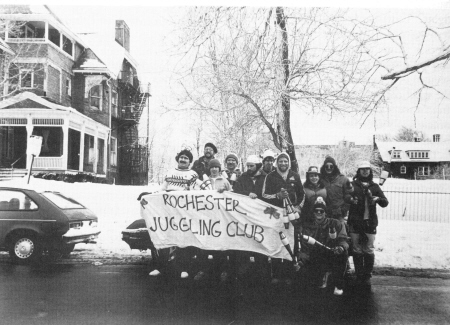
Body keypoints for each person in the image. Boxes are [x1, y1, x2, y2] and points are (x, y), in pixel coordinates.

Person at [141, 149, 198, 279]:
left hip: (184, 211)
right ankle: (160, 267)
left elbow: (195, 192)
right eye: (181, 157)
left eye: (186, 158)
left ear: (189, 161)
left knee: (183, 239)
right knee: (165, 237)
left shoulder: (193, 174)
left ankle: (184, 268)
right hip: (168, 211)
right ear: (178, 159)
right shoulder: (170, 172)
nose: (183, 160)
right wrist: (151, 196)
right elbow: (162, 189)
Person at [262, 152, 305, 284]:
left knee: (291, 242)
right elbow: (264, 195)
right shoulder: (270, 176)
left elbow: (302, 195)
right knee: (276, 241)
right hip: (275, 214)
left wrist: (298, 208)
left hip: (291, 214)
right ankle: (276, 273)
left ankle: (289, 274)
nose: (283, 164)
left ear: (289, 163)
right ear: (277, 163)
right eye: (280, 161)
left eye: (285, 161)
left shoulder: (295, 176)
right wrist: (277, 196)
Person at [346, 161, 388, 287]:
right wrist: (351, 200)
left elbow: (385, 202)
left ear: (370, 171)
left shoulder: (374, 187)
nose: (365, 171)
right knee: (357, 249)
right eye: (362, 169)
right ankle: (359, 273)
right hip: (355, 222)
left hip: (370, 223)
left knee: (368, 249)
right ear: (358, 171)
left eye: (367, 169)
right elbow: (345, 198)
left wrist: (378, 199)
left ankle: (367, 273)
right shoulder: (352, 185)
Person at [299, 197, 349, 296]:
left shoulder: (336, 223)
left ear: (325, 212)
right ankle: (321, 277)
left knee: (343, 254)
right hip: (315, 254)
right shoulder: (307, 226)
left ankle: (338, 285)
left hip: (333, 252)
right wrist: (302, 258)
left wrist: (341, 247)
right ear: (313, 212)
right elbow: (305, 245)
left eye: (321, 211)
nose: (319, 213)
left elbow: (343, 240)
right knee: (308, 282)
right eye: (316, 211)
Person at [194, 159, 232, 282]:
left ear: (219, 169)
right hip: (206, 217)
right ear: (209, 169)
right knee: (204, 245)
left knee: (220, 246)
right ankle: (203, 270)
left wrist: (225, 192)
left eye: (216, 167)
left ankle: (222, 271)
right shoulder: (204, 181)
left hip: (220, 218)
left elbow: (231, 197)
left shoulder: (225, 181)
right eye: (212, 167)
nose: (214, 169)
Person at [319, 156, 353, 222]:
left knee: (340, 231)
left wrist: (344, 209)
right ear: (324, 167)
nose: (329, 168)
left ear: (334, 167)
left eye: (331, 166)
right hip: (324, 212)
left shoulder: (343, 179)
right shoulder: (320, 179)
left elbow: (349, 196)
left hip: (339, 213)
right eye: (327, 166)